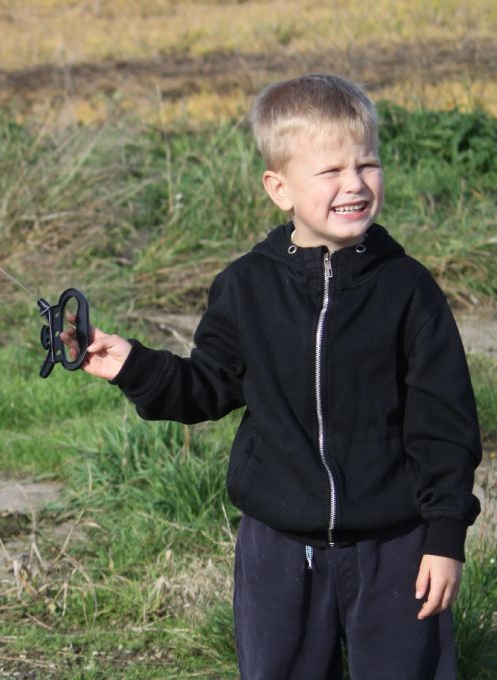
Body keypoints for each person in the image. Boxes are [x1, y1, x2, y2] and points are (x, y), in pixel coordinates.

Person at [63, 74, 481, 678]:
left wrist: (444, 537)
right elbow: (206, 386)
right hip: (279, 548)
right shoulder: (246, 285)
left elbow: (444, 423)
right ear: (279, 188)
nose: (354, 183)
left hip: (395, 545)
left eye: (367, 164)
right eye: (330, 170)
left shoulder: (408, 289)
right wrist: (132, 365)